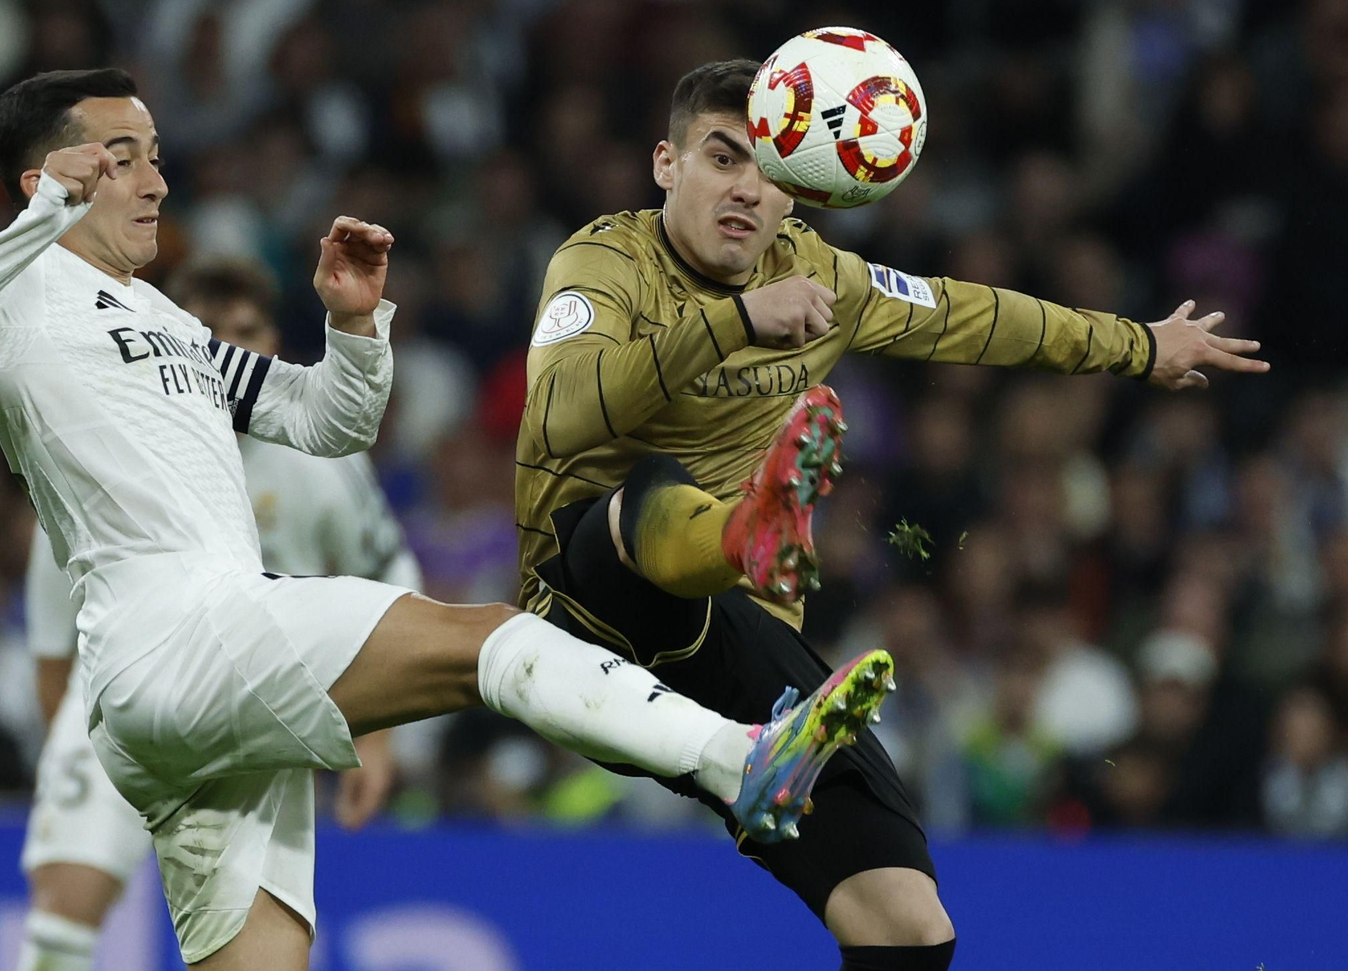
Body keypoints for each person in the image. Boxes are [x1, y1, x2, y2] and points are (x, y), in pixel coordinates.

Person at [0, 67, 888, 970]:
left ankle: (736, 760)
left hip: (191, 698)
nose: (156, 182)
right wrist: (41, 217)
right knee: (487, 636)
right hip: (180, 633)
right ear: (56, 173)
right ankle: (734, 760)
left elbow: (325, 419)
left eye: (156, 157)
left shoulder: (163, 319)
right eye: (124, 159)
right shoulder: (16, 289)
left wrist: (351, 326)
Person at [514, 59, 1270, 971]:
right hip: (582, 610)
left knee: (909, 923)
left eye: (774, 173)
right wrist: (739, 320)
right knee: (647, 488)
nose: (749, 190)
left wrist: (1140, 345)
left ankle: (759, 632)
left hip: (731, 633)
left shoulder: (825, 281)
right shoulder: (603, 261)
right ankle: (744, 532)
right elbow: (562, 413)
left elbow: (976, 316)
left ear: (803, 193)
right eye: (722, 158)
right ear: (665, 164)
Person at [15, 260, 422, 971]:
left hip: (256, 705)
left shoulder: (320, 458)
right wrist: (75, 755)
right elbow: (54, 650)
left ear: (271, 341)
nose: (230, 349)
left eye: (248, 332)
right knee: (63, 913)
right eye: (209, 333)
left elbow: (387, 577)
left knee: (255, 943)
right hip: (123, 691)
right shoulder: (98, 443)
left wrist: (378, 740)